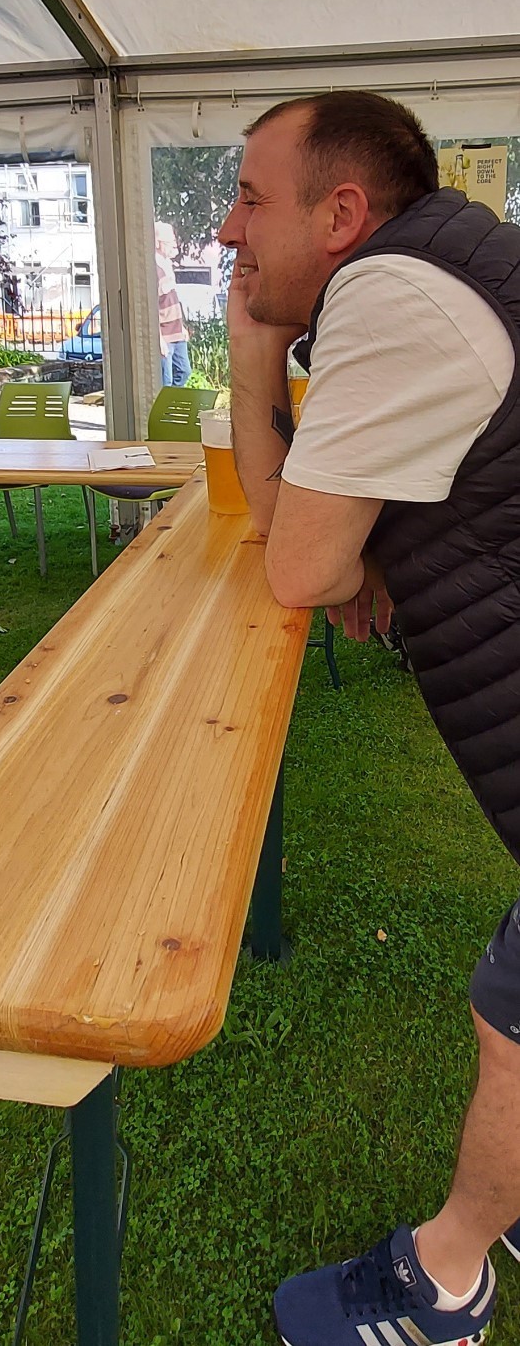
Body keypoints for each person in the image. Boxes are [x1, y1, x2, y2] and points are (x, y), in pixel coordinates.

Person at [220, 89, 520, 1346]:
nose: (228, 233)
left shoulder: (392, 299)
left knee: (512, 1026)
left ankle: (443, 1283)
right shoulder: (443, 266)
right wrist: (370, 548)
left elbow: (296, 562)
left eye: (246, 197)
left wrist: (246, 360)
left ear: (341, 214)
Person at [155, 219, 189, 386]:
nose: (174, 244)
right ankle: (165, 411)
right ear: (158, 243)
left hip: (177, 332)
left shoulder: (167, 265)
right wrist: (159, 338)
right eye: (170, 241)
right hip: (164, 335)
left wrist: (182, 327)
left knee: (184, 371)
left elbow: (172, 300)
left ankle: (173, 407)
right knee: (166, 380)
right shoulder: (154, 268)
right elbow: (152, 306)